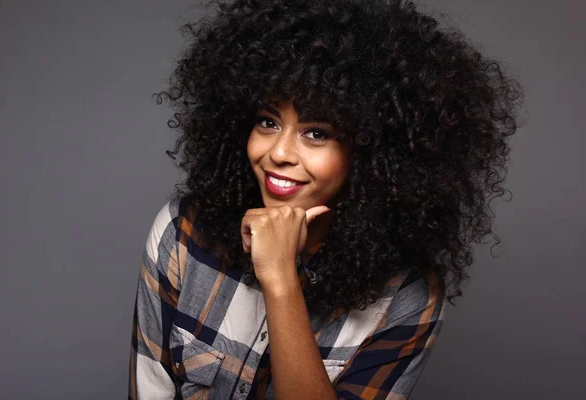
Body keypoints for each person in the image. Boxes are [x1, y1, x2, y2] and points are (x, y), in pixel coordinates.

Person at [128, 0, 522, 398]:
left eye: (316, 132)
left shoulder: (405, 299)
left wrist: (280, 279)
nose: (279, 152)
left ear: (370, 152)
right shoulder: (183, 235)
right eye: (268, 122)